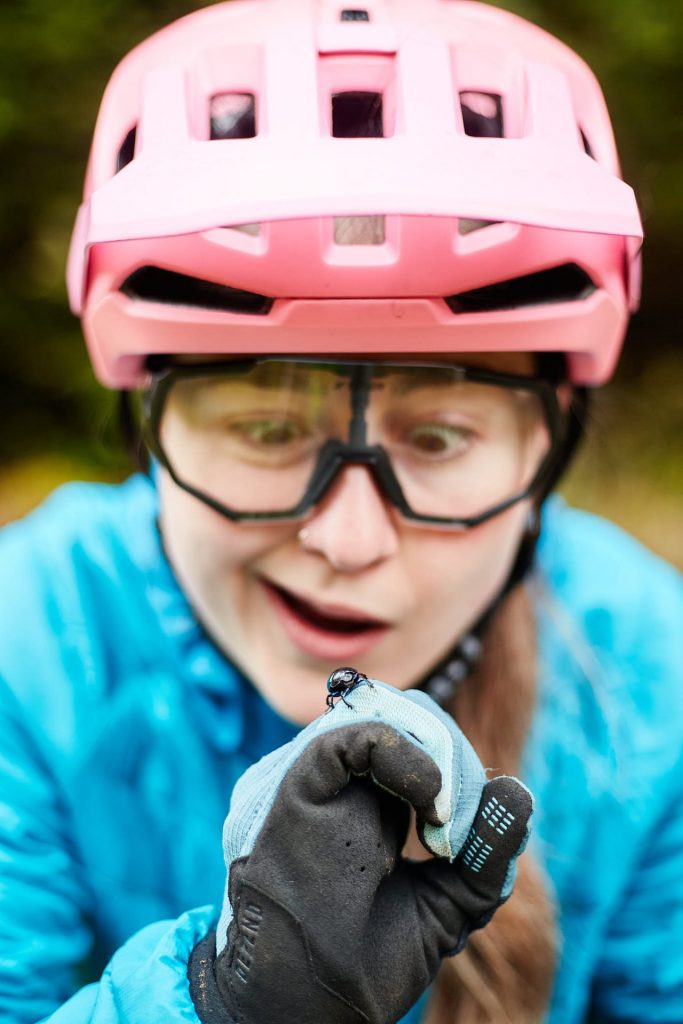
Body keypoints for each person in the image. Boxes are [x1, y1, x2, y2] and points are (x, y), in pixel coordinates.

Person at [1, 0, 682, 1022]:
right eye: (266, 432)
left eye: (442, 438)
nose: (350, 541)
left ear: (552, 442)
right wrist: (208, 1003)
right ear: (145, 425)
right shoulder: (30, 646)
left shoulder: (649, 677)